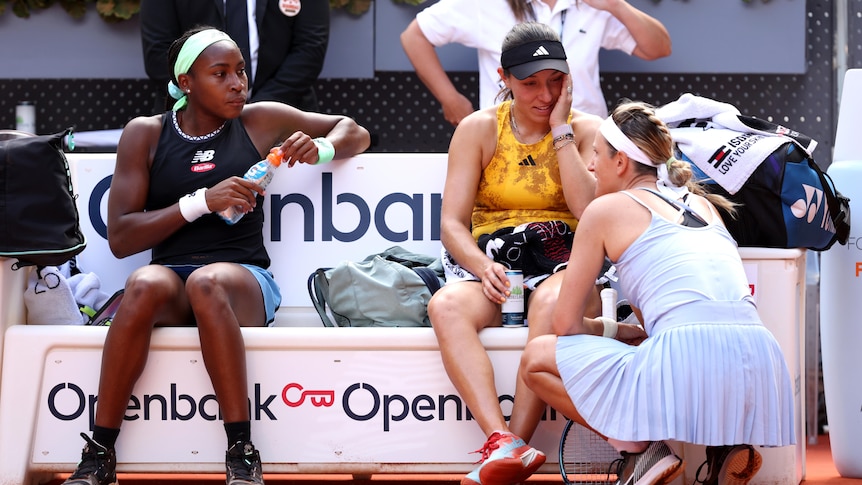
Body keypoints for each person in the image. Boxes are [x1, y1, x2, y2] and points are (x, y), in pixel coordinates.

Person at [62, 26, 370, 485]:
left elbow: (357, 131)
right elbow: (122, 238)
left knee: (207, 282)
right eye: (220, 73)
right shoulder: (145, 134)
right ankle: (100, 452)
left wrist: (322, 147)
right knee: (142, 283)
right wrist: (201, 201)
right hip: (171, 278)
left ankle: (241, 450)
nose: (237, 84)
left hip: (242, 282)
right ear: (186, 82)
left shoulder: (259, 119)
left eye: (241, 71)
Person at [519, 100, 796, 485]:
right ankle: (727, 449)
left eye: (596, 155)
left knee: (535, 358)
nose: (592, 166)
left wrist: (614, 330)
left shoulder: (604, 210)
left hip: (692, 355)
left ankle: (643, 451)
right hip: (760, 363)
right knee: (692, 354)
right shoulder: (704, 204)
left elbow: (563, 323)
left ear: (621, 163)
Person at [427, 22, 604, 485]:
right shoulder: (479, 129)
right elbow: (451, 224)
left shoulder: (589, 131)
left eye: (556, 80)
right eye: (530, 83)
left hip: (566, 259)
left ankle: (515, 448)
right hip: (496, 262)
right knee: (445, 306)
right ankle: (499, 440)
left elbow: (588, 210)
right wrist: (482, 265)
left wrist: (561, 129)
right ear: (504, 78)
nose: (545, 94)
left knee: (550, 302)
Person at [400, 0, 671, 126]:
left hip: (584, 135)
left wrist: (617, 5)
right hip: (511, 139)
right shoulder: (484, 4)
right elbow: (414, 36)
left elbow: (658, 48)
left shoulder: (593, 5)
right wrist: (450, 98)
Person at [141, 0, 330, 113]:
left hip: (285, 117)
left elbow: (310, 49)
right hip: (191, 120)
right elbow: (159, 53)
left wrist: (260, 109)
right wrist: (213, 106)